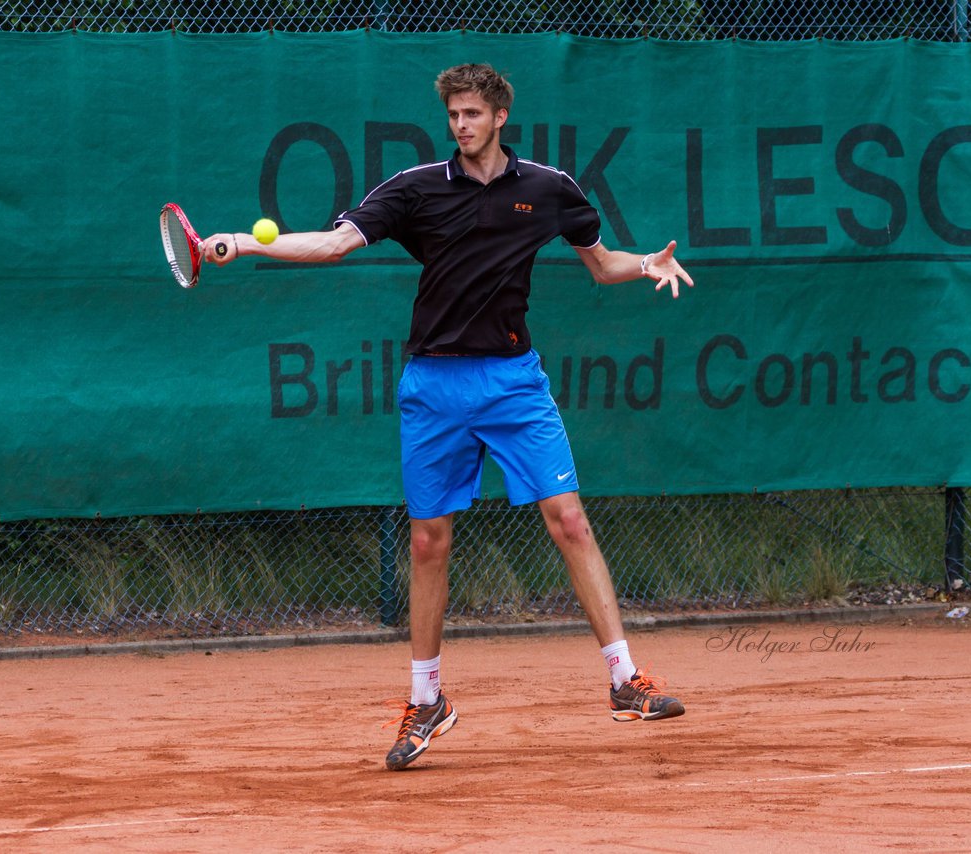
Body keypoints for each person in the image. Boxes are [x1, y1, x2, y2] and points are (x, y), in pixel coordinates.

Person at [201, 63, 694, 771]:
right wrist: (249, 243)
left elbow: (602, 263)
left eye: (472, 114)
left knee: (570, 519)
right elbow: (335, 244)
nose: (460, 125)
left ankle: (625, 683)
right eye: (453, 115)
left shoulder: (549, 190)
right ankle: (426, 700)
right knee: (429, 541)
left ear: (499, 118)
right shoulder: (415, 190)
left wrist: (646, 262)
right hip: (434, 385)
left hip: (514, 383)